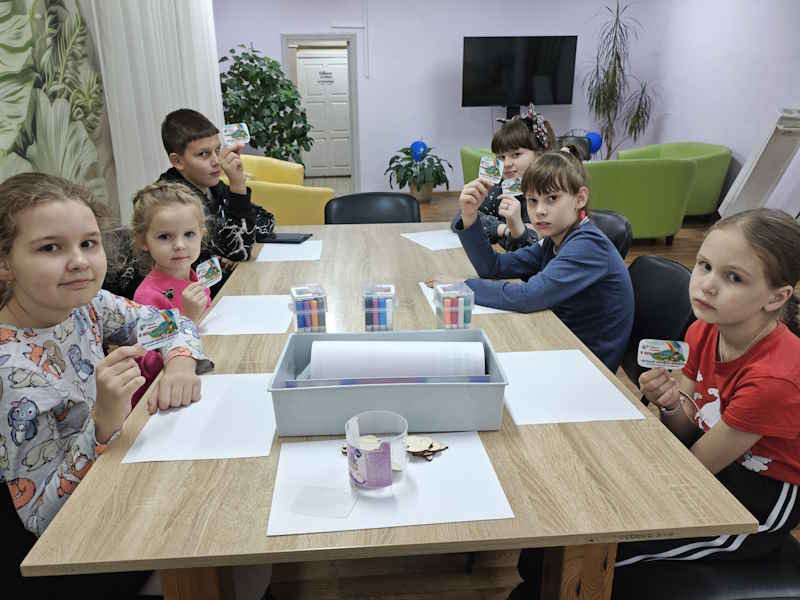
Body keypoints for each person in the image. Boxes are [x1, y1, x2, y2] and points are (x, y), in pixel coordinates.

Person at [511, 208, 800, 598]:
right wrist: (669, 403)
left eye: (733, 277)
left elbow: (697, 467)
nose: (707, 285)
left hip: (754, 503)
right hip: (707, 462)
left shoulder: (773, 380)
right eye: (704, 266)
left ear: (776, 297)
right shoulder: (703, 329)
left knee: (580, 561)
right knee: (548, 553)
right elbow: (688, 425)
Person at [0, 173, 212, 597]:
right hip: (74, 552)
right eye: (50, 248)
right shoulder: (11, 376)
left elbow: (170, 323)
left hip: (116, 484)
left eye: (88, 243)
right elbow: (42, 519)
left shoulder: (88, 305)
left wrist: (179, 363)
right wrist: (102, 423)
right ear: (5, 263)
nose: (79, 261)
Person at [431, 149, 633, 372]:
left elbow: (528, 297)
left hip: (585, 364)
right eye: (532, 201)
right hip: (557, 341)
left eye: (552, 199)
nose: (540, 211)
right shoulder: (556, 239)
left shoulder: (587, 245)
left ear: (580, 198)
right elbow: (493, 267)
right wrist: (470, 216)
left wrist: (463, 286)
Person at [103, 108, 275, 299]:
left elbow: (266, 222)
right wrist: (238, 186)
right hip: (176, 300)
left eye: (217, 150)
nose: (216, 161)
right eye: (203, 154)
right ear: (177, 161)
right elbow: (238, 251)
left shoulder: (213, 187)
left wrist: (226, 245)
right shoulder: (175, 200)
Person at [451, 104, 555, 250]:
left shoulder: (552, 193)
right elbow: (460, 219)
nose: (506, 164)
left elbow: (535, 247)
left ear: (540, 154)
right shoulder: (499, 186)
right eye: (501, 157)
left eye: (516, 154)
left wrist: (516, 232)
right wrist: (504, 229)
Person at [131, 181, 211, 324]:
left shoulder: (197, 276)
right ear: (143, 241)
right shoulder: (148, 297)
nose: (180, 245)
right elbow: (154, 340)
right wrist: (187, 317)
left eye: (189, 234)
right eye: (164, 236)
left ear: (201, 235)